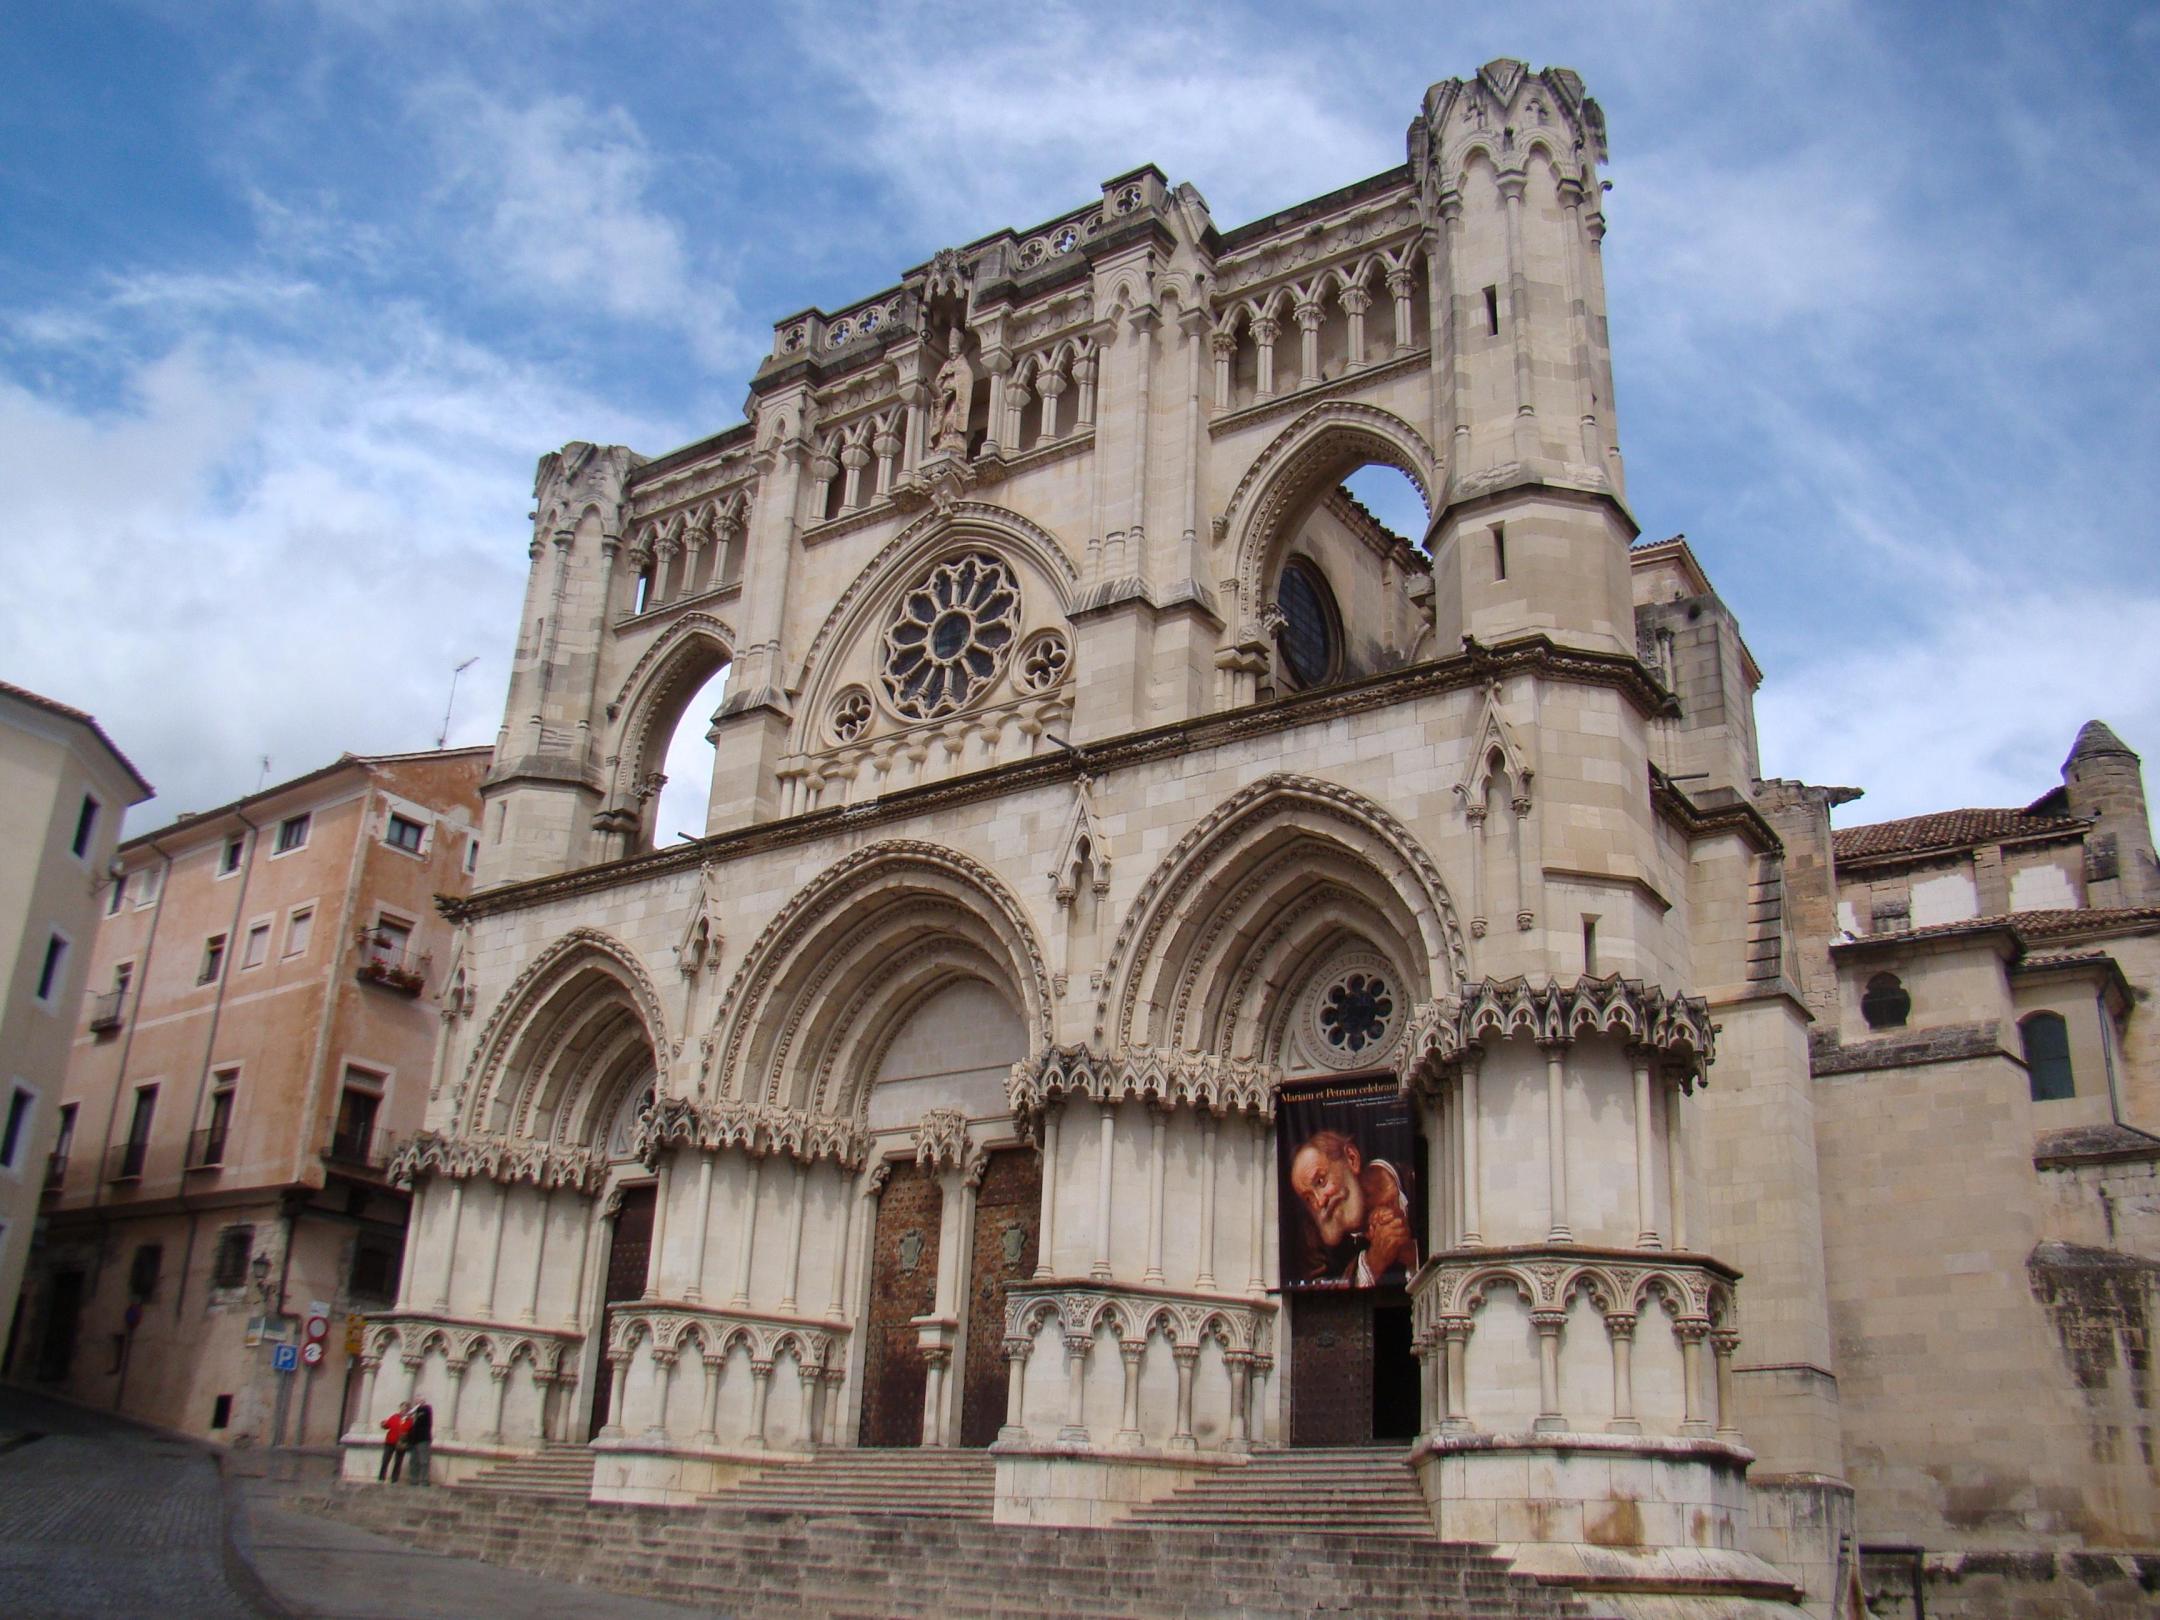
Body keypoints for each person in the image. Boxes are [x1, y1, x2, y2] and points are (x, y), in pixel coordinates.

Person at [1287, 1129, 1419, 1286]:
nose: (1320, 1202)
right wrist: (1372, 1263)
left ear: (1351, 1158)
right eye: (1309, 1198)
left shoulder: (1414, 1180)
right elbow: (1324, 1301)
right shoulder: (1315, 1247)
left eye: (1321, 1181)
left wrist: (1409, 1252)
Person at [403, 1397, 434, 1486]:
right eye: (416, 1401)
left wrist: (418, 1406)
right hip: (414, 1440)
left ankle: (424, 1480)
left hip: (423, 1439)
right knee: (413, 1461)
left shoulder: (426, 1409)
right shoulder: (415, 1414)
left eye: (419, 1401)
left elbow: (424, 1412)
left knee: (424, 1461)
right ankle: (414, 1480)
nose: (417, 1403)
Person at [377, 1400, 410, 1482]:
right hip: (390, 1442)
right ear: (400, 1408)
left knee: (398, 1462)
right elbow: (387, 1425)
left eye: (406, 1408)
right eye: (403, 1407)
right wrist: (383, 1424)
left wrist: (406, 1437)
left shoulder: (409, 1420)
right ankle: (381, 1477)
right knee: (385, 1460)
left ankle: (394, 1478)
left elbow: (410, 1430)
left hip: (401, 1443)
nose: (404, 1409)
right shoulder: (394, 1417)